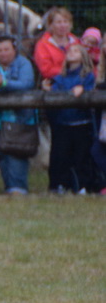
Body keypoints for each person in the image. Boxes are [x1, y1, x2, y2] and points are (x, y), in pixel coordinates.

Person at [0, 34, 36, 195]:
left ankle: (18, 188)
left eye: (6, 49)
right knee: (2, 155)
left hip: (19, 119)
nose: (3, 53)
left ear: (14, 50)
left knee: (17, 153)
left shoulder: (24, 64)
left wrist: (4, 83)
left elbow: (26, 83)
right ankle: (9, 187)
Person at [42, 42, 99, 194]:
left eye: (76, 51)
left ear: (83, 56)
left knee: (82, 157)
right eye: (69, 51)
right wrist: (48, 90)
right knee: (61, 157)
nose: (71, 53)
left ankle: (83, 186)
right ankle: (61, 185)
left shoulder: (87, 76)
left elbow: (91, 91)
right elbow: (55, 93)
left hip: (81, 123)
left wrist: (84, 90)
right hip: (63, 123)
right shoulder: (60, 78)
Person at [32, 7, 77, 82]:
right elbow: (46, 70)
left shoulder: (76, 42)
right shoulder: (42, 45)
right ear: (51, 25)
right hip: (54, 81)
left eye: (65, 22)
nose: (63, 25)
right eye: (59, 22)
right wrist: (69, 72)